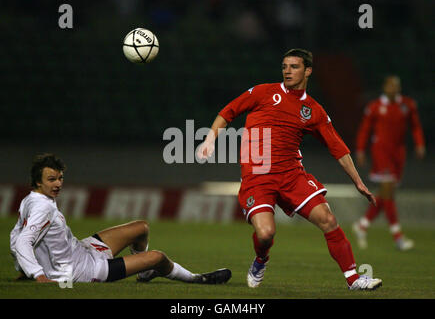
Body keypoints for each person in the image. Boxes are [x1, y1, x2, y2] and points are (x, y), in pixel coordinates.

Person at [197, 48, 382, 290]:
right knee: (265, 234)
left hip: (291, 175)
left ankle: (354, 279)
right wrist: (210, 139)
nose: (287, 71)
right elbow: (227, 112)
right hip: (257, 176)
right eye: (284, 66)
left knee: (328, 219)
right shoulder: (263, 92)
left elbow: (337, 147)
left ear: (308, 71)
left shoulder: (313, 110)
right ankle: (261, 259)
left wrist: (358, 182)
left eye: (294, 67)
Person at [10, 153, 232, 284]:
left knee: (141, 228)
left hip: (81, 250)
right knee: (158, 257)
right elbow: (23, 240)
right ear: (38, 182)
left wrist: (21, 268)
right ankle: (196, 279)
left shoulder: (32, 199)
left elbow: (16, 234)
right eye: (51, 179)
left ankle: (144, 273)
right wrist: (37, 274)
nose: (58, 183)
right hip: (83, 271)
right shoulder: (42, 207)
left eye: (60, 178)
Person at [352, 75, 425, 251]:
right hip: (381, 152)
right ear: (384, 87)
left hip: (399, 154)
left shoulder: (407, 105)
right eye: (391, 85)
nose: (394, 89)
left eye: (396, 86)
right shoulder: (375, 107)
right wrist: (360, 149)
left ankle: (362, 225)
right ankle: (397, 236)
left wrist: (420, 143)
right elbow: (365, 129)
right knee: (388, 192)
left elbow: (415, 126)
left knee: (386, 195)